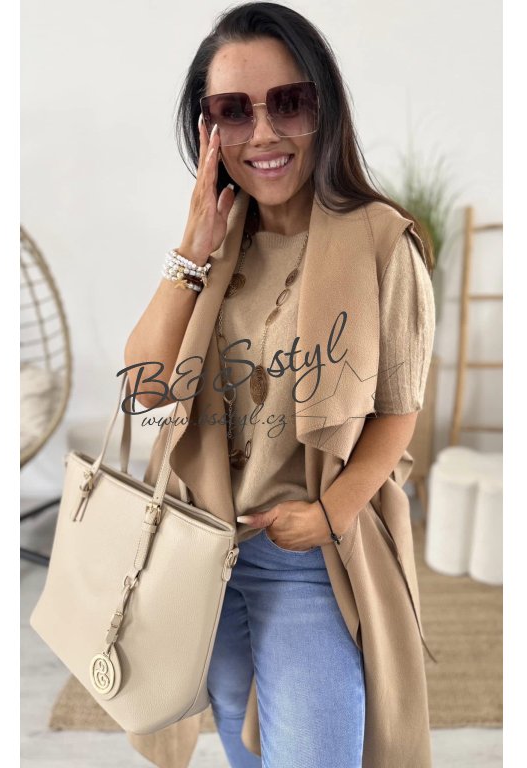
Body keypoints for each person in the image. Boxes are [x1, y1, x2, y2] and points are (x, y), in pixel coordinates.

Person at [122, 3, 437, 767]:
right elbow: (143, 388)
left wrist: (330, 513)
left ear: (323, 108)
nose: (262, 133)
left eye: (287, 102)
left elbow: (399, 411)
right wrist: (191, 247)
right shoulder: (218, 245)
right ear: (208, 129)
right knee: (244, 746)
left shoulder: (383, 244)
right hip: (204, 551)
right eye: (233, 111)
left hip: (308, 559)